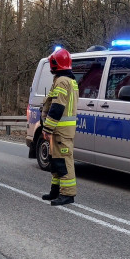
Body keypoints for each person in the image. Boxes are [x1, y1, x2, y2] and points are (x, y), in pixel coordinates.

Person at [40, 47, 79, 205]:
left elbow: (57, 107)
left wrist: (47, 128)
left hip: (61, 130)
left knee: (64, 161)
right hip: (61, 130)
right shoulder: (67, 80)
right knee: (56, 160)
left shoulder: (62, 81)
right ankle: (55, 191)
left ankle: (68, 194)